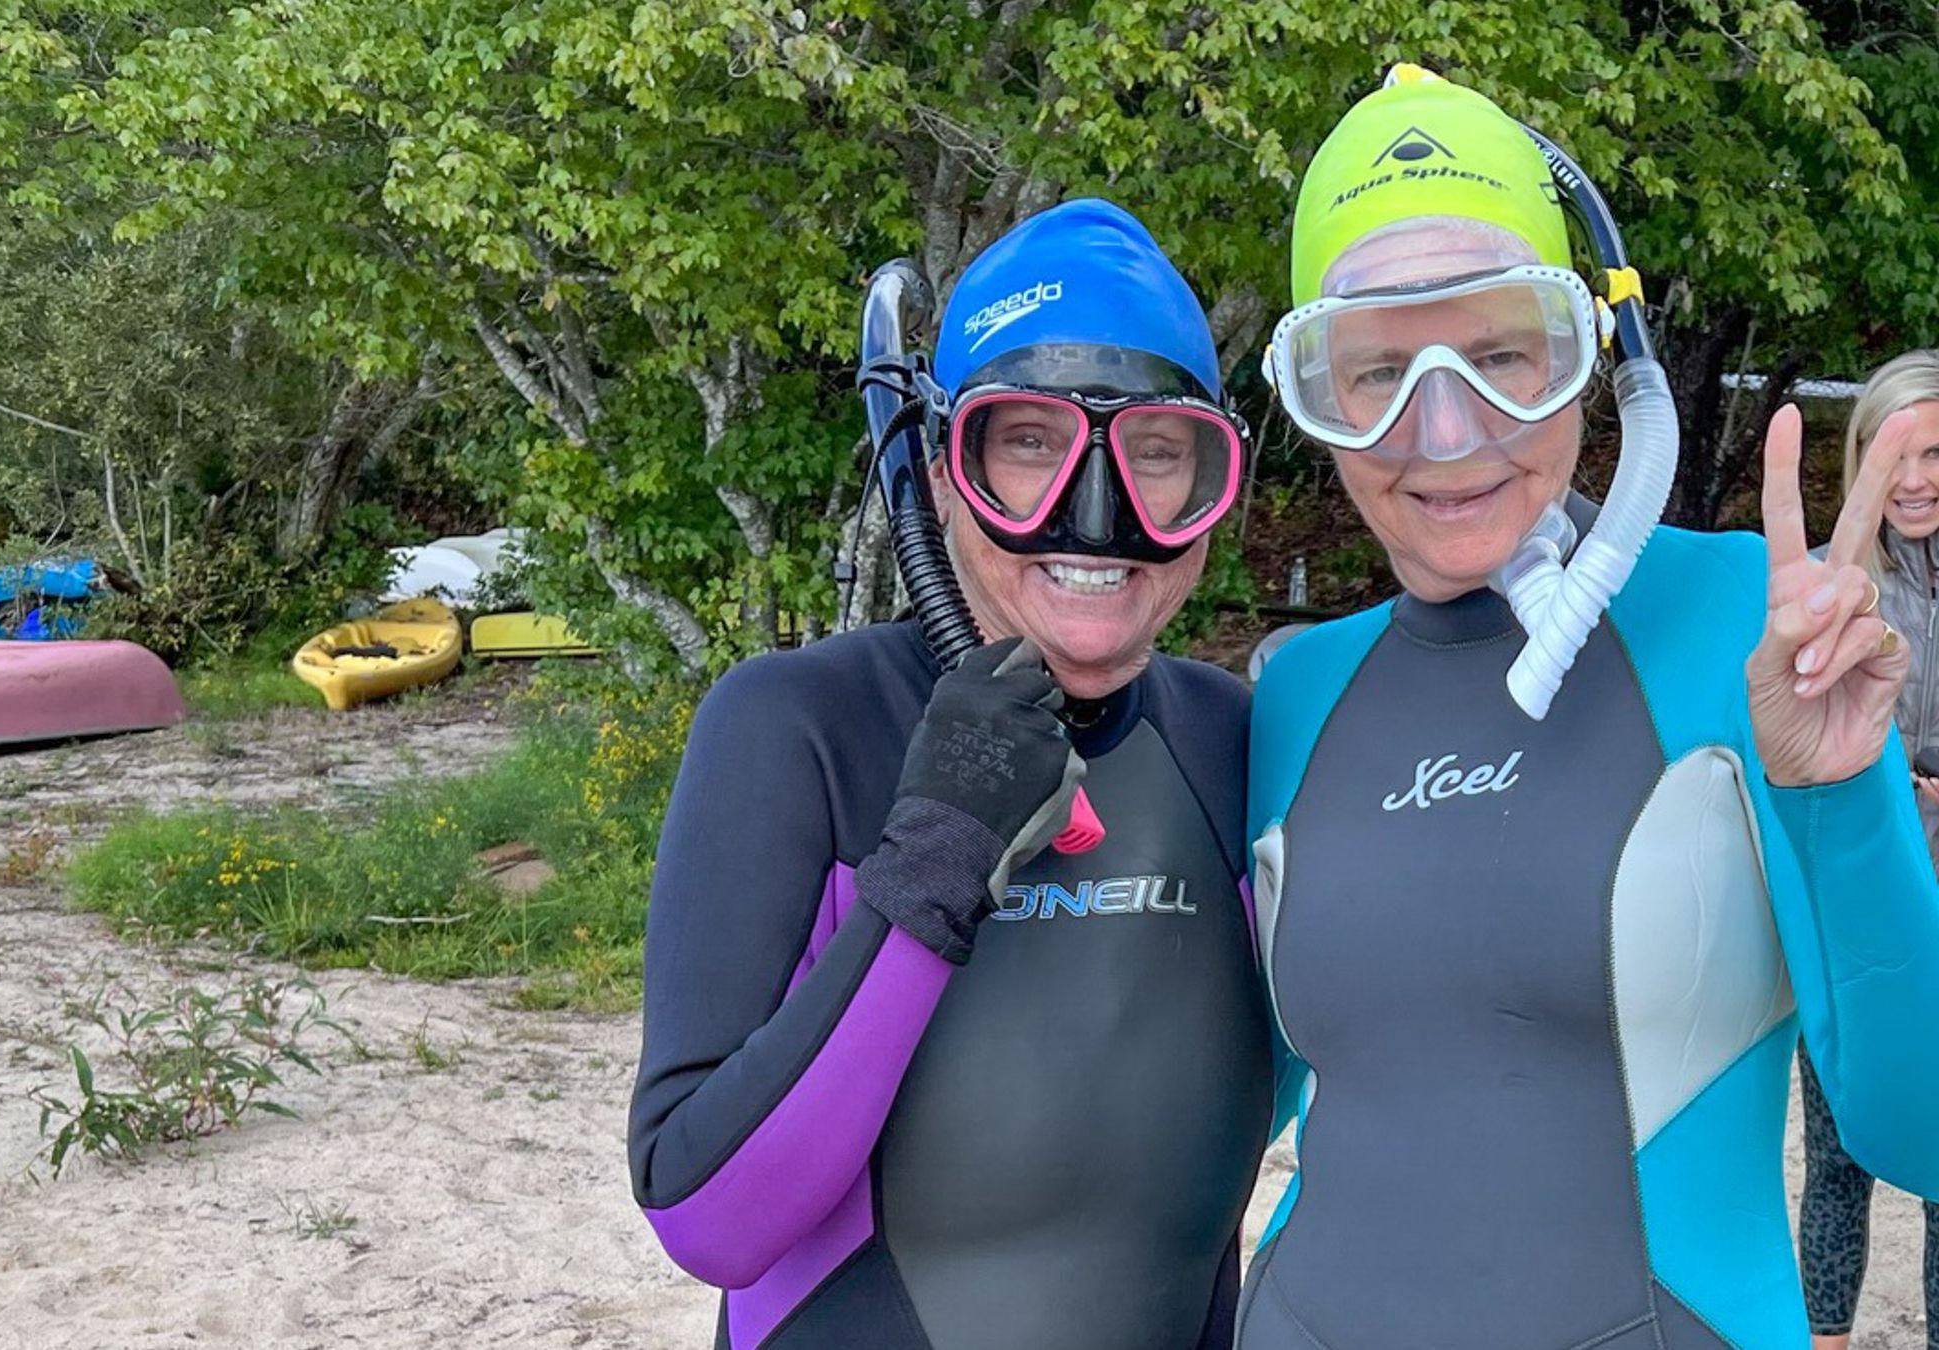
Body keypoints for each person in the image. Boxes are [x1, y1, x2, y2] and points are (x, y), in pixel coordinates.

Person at [1242, 66, 1939, 1349]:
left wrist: (1841, 795)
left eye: (1504, 356)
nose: (1445, 432)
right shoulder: (1293, 692)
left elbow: (1921, 1128)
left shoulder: (1753, 626)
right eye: (1377, 374)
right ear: (1319, 405)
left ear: (1590, 361)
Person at [628, 199, 1273, 1349]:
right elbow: (706, 1216)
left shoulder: (1238, 742)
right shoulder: (797, 728)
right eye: (1029, 444)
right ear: (938, 470)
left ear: (1213, 487)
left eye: (1160, 454)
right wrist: (933, 858)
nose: (1096, 514)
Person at [1799, 350, 1939, 1350]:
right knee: (1838, 1156)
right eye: (1896, 456)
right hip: (1849, 906)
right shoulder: (1824, 585)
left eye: (1937, 454)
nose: (1918, 480)